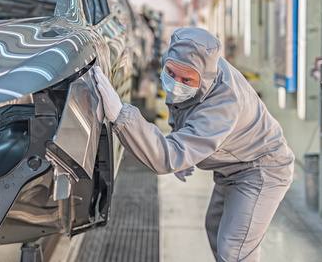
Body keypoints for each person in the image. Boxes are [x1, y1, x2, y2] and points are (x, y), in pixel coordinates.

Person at [93, 27, 294, 262]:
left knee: (234, 249)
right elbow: (185, 110)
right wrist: (187, 145)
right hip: (230, 166)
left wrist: (121, 115)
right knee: (214, 226)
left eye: (186, 80)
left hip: (261, 170)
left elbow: (168, 158)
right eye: (170, 72)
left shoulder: (223, 103)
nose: (175, 83)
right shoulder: (187, 68)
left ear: (205, 79)